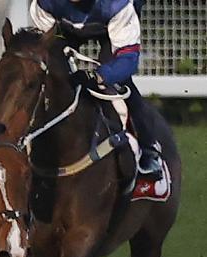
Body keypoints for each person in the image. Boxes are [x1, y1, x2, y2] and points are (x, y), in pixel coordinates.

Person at [30, 0, 163, 180]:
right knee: (49, 74)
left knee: (119, 80)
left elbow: (128, 59)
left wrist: (99, 76)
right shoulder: (46, 3)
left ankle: (149, 149)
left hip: (110, 25)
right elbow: (40, 48)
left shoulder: (118, 4)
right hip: (63, 29)